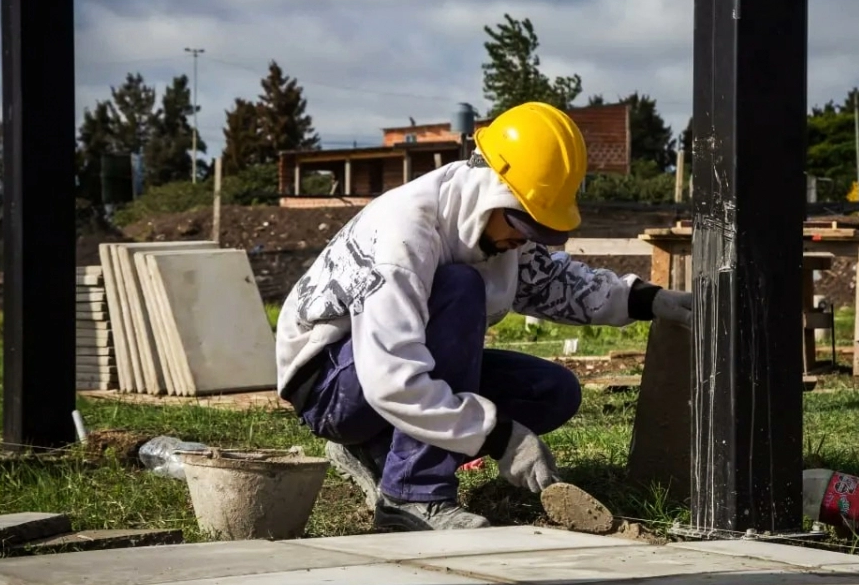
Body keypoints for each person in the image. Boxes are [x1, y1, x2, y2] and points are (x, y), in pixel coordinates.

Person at [276, 102, 692, 531]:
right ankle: (411, 499)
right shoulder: (404, 236)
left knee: (550, 392)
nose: (523, 241)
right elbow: (391, 377)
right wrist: (496, 435)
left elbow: (549, 282)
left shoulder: (492, 224)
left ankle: (378, 451)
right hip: (331, 384)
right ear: (492, 190)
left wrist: (645, 299)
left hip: (385, 373)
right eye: (520, 225)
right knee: (460, 288)